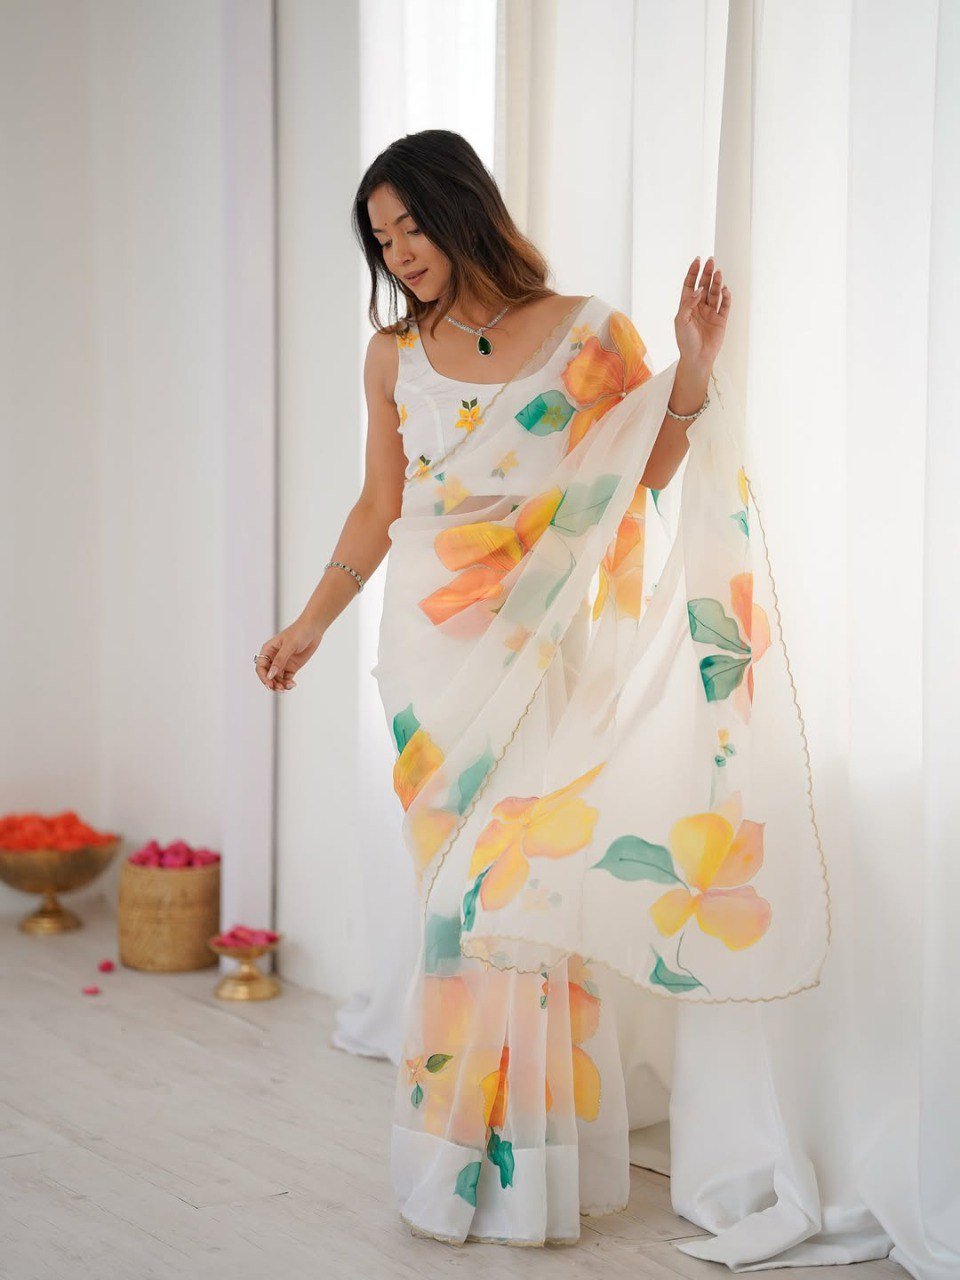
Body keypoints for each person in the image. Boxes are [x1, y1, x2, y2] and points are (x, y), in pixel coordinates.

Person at [254, 130, 830, 1248]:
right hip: (430, 661)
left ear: (462, 207)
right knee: (453, 911)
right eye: (381, 238)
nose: (399, 253)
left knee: (522, 897)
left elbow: (643, 470)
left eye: (411, 226)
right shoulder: (392, 357)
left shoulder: (587, 334)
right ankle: (451, 1159)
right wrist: (308, 623)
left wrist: (691, 370)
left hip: (546, 649)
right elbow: (378, 507)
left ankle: (530, 1175)